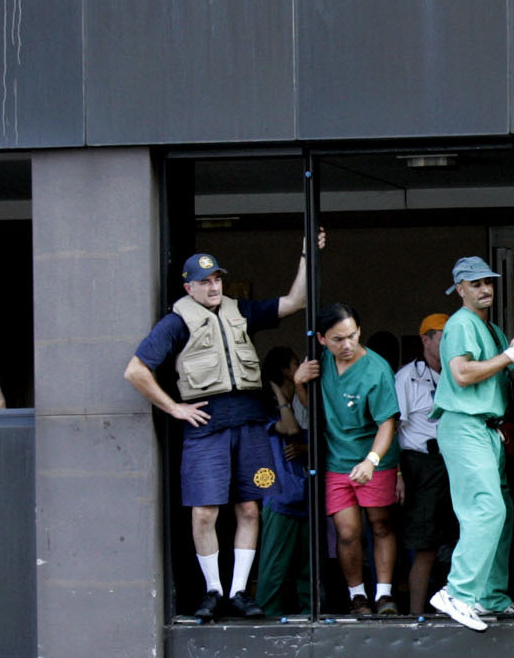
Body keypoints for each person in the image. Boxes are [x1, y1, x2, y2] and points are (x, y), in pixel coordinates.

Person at [124, 233, 322, 620]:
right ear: (189, 287)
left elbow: (295, 301)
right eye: (204, 281)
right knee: (204, 512)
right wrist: (174, 408)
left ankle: (239, 592)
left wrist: (306, 254)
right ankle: (213, 589)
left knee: (252, 504)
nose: (213, 286)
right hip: (205, 430)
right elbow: (135, 371)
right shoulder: (176, 323)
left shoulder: (241, 310)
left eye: (216, 279)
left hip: (251, 427)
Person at [430, 256, 514, 632]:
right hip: (465, 425)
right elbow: (461, 374)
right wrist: (510, 356)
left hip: (487, 428)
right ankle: (457, 593)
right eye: (475, 284)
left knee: (502, 511)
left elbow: (497, 373)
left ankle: (489, 596)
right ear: (459, 289)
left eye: (488, 282)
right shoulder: (460, 323)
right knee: (486, 507)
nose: (485, 289)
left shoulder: (488, 327)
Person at [294, 303, 401, 616]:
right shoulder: (320, 362)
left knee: (380, 525)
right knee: (347, 531)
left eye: (353, 335)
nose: (348, 344)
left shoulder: (377, 369)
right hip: (336, 460)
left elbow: (388, 424)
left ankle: (383, 595)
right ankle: (358, 596)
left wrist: (371, 461)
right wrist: (300, 382)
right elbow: (314, 409)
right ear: (322, 339)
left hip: (374, 457)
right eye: (338, 339)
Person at [392, 313, 457, 617]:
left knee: (460, 540)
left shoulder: (458, 372)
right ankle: (416, 614)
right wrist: (398, 473)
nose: (448, 345)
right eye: (443, 337)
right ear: (426, 340)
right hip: (420, 464)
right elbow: (391, 428)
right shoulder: (407, 376)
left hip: (455, 461)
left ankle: (457, 608)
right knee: (425, 545)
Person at [254, 347, 311, 616]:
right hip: (280, 497)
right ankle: (268, 616)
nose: (300, 365)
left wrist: (304, 448)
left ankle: (309, 611)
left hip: (304, 495)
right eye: (295, 362)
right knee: (273, 566)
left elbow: (317, 439)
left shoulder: (304, 399)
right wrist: (278, 393)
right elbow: (289, 428)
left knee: (307, 565)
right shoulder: (266, 407)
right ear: (283, 371)